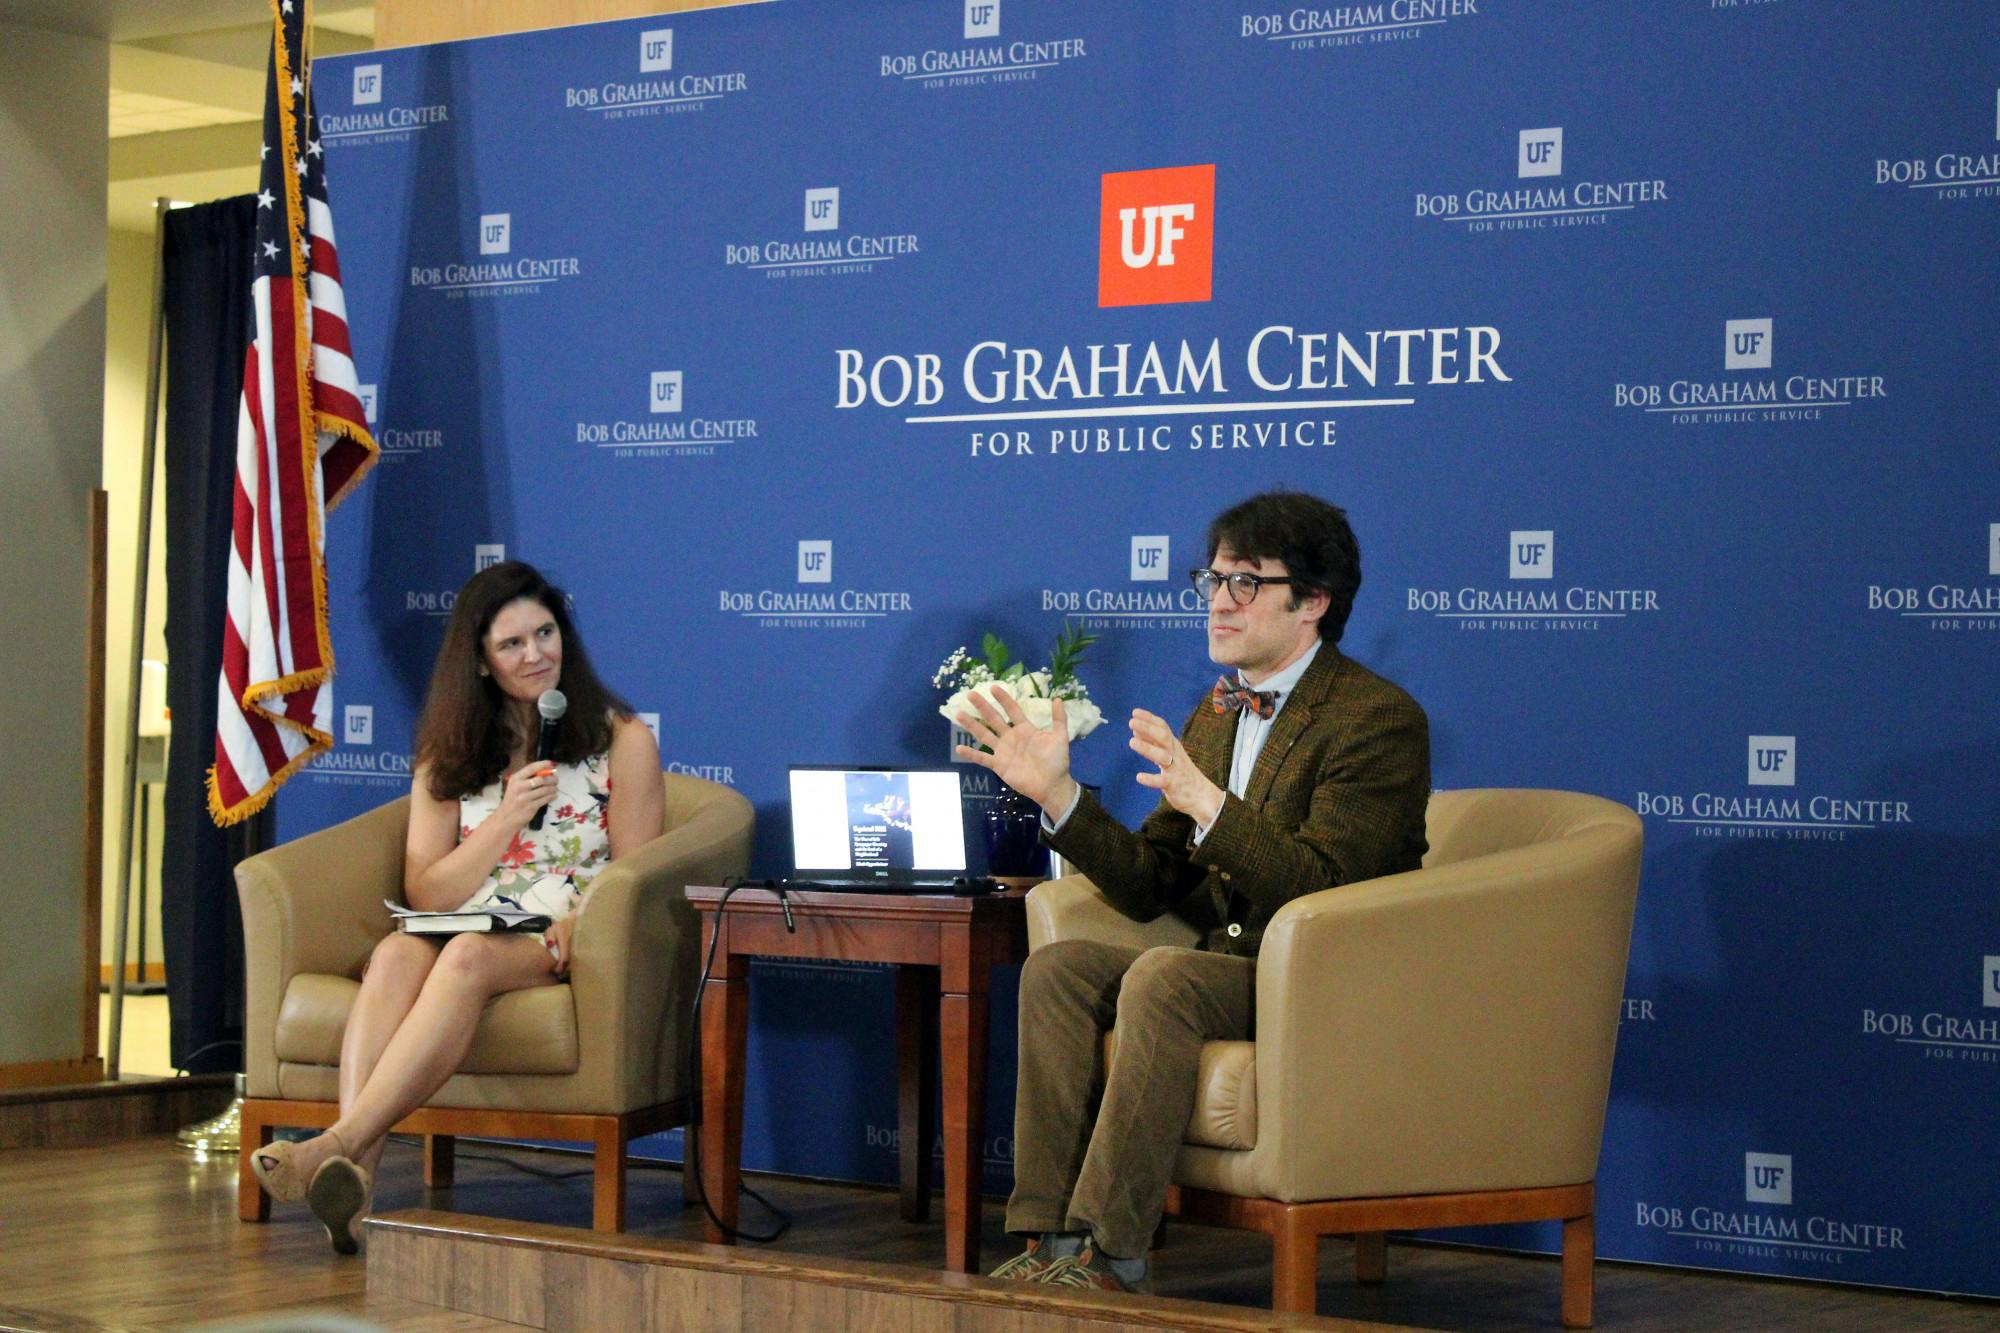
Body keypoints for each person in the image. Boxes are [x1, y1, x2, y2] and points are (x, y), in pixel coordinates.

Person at [954, 491, 1430, 1294]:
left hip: (1326, 978)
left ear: (1312, 601)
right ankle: (1049, 1242)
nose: (1217, 600)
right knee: (1060, 969)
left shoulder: (1376, 718)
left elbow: (1325, 886)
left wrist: (1210, 803)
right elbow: (1152, 885)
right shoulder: (1215, 713)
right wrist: (1059, 796)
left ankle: (1114, 1251)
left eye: (1244, 583)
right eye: (1210, 579)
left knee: (1164, 977)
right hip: (1232, 967)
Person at [248, 560, 664, 1253]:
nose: (536, 654)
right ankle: (358, 1186)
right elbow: (427, 890)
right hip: (465, 915)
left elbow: (637, 871)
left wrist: (581, 919)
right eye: (512, 644)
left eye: (545, 633)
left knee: (467, 956)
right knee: (392, 953)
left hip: (561, 930)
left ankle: (339, 1143)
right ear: (479, 660)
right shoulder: (452, 748)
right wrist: (503, 819)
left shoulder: (622, 739)